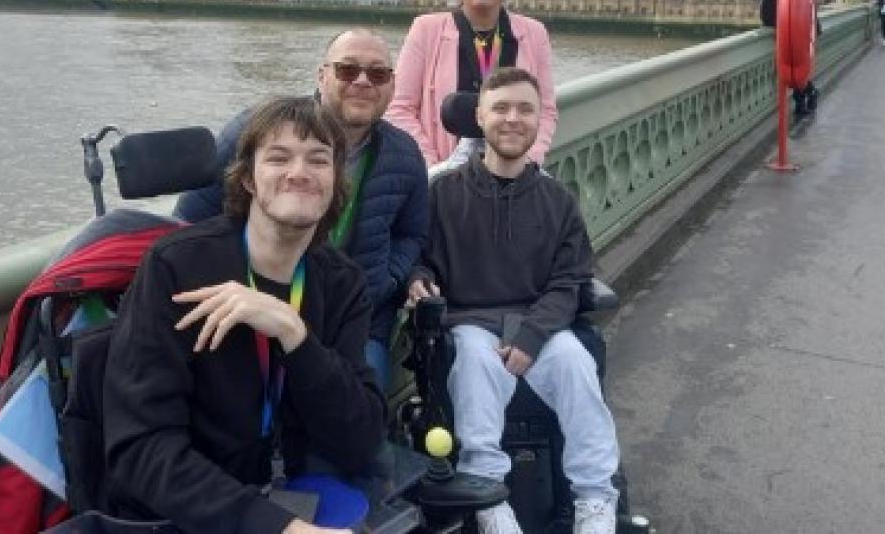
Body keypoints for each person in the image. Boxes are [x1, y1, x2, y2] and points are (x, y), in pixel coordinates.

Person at [103, 97, 385, 534]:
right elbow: (141, 449)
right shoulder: (178, 267)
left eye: (319, 159)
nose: (299, 172)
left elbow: (361, 441)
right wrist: (278, 528)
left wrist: (296, 336)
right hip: (185, 511)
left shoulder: (341, 282)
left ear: (335, 181)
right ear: (249, 179)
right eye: (278, 158)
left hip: (290, 492)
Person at [407, 67, 620, 534]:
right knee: (475, 363)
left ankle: (595, 497)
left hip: (537, 322)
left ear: (539, 118)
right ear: (479, 118)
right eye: (500, 108)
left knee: (576, 366)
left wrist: (531, 335)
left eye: (525, 109)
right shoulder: (443, 194)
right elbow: (419, 256)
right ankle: (489, 493)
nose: (512, 119)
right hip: (469, 321)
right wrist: (419, 277)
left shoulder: (557, 200)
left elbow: (569, 282)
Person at [175, 28, 428, 390]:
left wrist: (388, 279)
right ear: (321, 75)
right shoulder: (255, 130)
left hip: (355, 319)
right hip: (254, 306)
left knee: (354, 426)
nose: (362, 82)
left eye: (377, 73)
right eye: (347, 70)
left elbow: (412, 232)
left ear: (391, 85)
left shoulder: (405, 155)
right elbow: (192, 219)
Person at [386, 0, 558, 168]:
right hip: (444, 173)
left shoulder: (534, 34)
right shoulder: (426, 29)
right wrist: (432, 166)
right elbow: (399, 108)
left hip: (512, 174)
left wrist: (528, 161)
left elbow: (546, 110)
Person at [759, 0, 820, 116]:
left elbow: (811, 15)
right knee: (793, 73)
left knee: (797, 71)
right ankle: (810, 94)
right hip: (784, 41)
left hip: (799, 40)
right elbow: (766, 18)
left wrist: (814, 32)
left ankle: (803, 100)